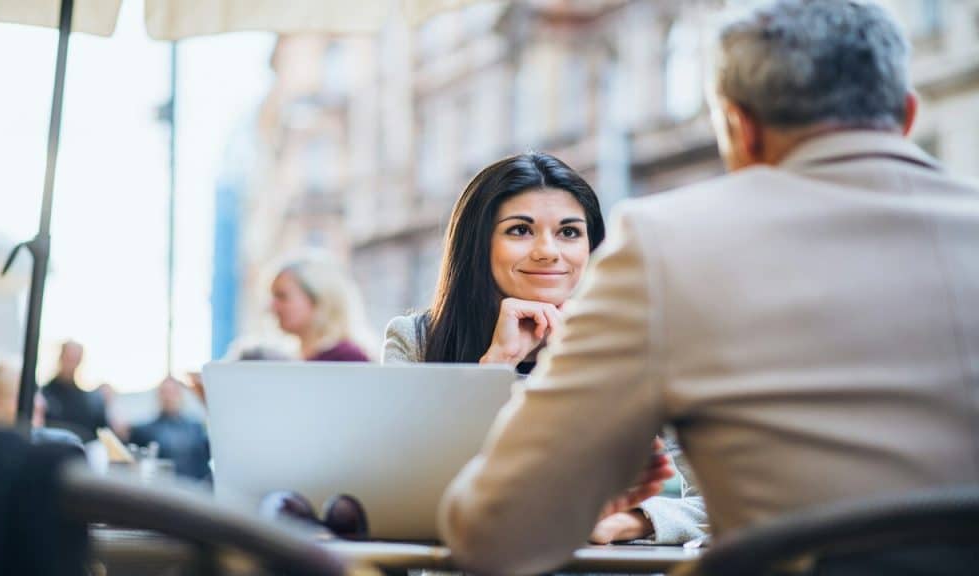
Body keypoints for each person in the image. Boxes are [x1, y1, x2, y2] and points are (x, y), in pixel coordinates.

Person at [436, 1, 979, 574]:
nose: (549, 251)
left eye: (569, 232)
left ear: (739, 127)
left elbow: (493, 533)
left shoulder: (664, 245)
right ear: (908, 115)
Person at [384, 152, 706, 544]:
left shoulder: (638, 347)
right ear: (478, 244)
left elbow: (721, 501)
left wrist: (623, 522)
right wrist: (495, 367)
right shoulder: (415, 340)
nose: (548, 251)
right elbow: (398, 492)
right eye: (520, 230)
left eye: (569, 232)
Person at [271, 256, 374, 362]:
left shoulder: (348, 359)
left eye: (282, 296)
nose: (273, 306)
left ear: (317, 299)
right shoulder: (295, 358)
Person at [129, 376, 210, 481]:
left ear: (180, 395)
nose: (169, 397)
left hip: (195, 486)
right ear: (159, 396)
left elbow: (207, 455)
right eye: (165, 392)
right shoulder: (145, 430)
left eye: (173, 392)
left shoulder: (196, 427)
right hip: (164, 487)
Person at [42, 341, 107, 442]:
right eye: (68, 358)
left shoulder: (87, 401)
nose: (71, 364)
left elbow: (100, 429)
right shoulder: (45, 395)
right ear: (61, 357)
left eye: (75, 359)